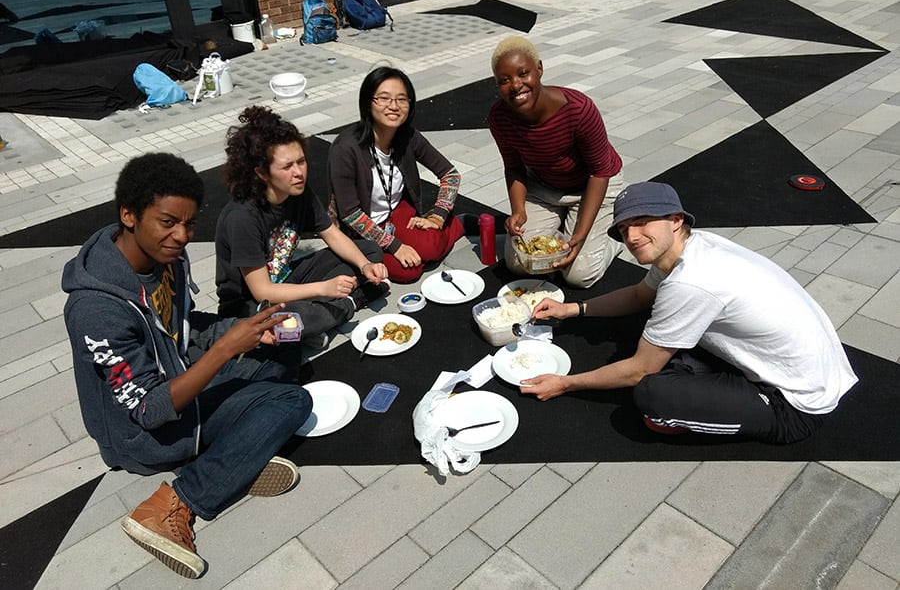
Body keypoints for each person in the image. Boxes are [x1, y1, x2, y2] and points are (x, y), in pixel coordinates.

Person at [62, 153, 313, 578]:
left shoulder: (167, 260)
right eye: (167, 222)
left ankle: (234, 458)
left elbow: (183, 330)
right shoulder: (96, 308)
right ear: (129, 215)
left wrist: (244, 331)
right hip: (143, 437)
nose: (181, 236)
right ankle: (174, 503)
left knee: (282, 355)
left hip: (180, 387)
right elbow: (148, 410)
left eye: (189, 224)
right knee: (292, 402)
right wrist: (224, 351)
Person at [524, 181, 858, 444]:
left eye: (641, 222)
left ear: (676, 220)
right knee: (656, 327)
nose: (632, 236)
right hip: (803, 367)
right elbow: (641, 294)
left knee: (652, 397)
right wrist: (571, 309)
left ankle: (701, 412)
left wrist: (565, 384)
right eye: (624, 230)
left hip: (795, 405)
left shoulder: (690, 282)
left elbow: (639, 371)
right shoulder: (693, 247)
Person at [215, 106, 390, 347]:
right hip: (248, 306)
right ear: (262, 173)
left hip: (288, 278)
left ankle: (316, 320)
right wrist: (324, 288)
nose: (299, 173)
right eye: (287, 167)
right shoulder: (242, 217)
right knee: (292, 320)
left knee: (370, 251)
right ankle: (346, 305)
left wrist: (365, 265)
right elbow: (262, 291)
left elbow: (331, 234)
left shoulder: (298, 192)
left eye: (301, 161)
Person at [489, 36, 625, 288]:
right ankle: (562, 222)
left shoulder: (578, 109)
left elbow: (599, 173)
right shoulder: (499, 117)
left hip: (594, 187)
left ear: (539, 69)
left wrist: (582, 235)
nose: (516, 85)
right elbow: (514, 167)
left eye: (523, 73)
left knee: (578, 275)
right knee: (519, 262)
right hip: (544, 187)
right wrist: (518, 210)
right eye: (504, 80)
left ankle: (616, 235)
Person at [328, 66, 465, 283]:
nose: (393, 106)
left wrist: (438, 215)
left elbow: (450, 174)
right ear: (367, 102)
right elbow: (350, 214)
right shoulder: (345, 148)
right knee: (406, 271)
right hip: (362, 224)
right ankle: (433, 237)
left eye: (402, 99)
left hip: (397, 211)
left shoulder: (408, 136)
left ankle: (458, 224)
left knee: (430, 248)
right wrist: (395, 246)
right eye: (383, 98)